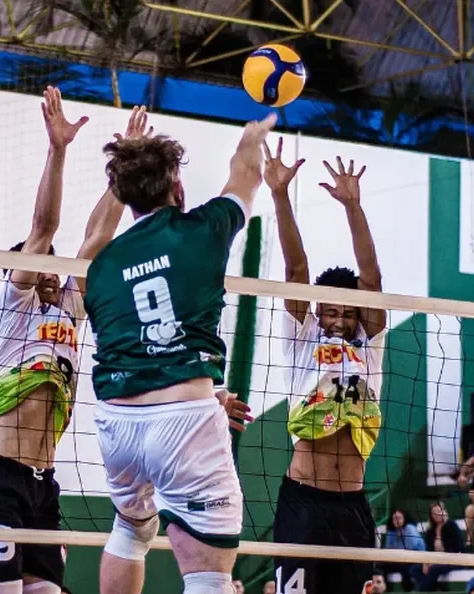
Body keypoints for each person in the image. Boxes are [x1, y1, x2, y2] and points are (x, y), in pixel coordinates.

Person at [84, 113, 276, 594]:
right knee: (209, 574)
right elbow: (246, 175)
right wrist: (251, 137)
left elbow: (96, 238)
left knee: (130, 530)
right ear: (178, 188)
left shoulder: (99, 263)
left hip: (117, 421)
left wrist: (128, 164)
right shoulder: (203, 229)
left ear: (125, 196)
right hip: (183, 421)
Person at [0, 89, 141, 594]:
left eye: (52, 268)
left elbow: (96, 238)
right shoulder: (13, 307)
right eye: (39, 265)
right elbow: (44, 227)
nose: (48, 273)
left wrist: (125, 167)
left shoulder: (68, 311)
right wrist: (58, 150)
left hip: (44, 485)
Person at [262, 138, 387, 594]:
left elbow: (371, 279)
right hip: (304, 503)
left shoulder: (369, 346)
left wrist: (353, 206)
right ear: (318, 311)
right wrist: (279, 194)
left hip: (353, 504)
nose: (338, 320)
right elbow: (296, 269)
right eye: (330, 311)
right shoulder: (304, 337)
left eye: (347, 313)